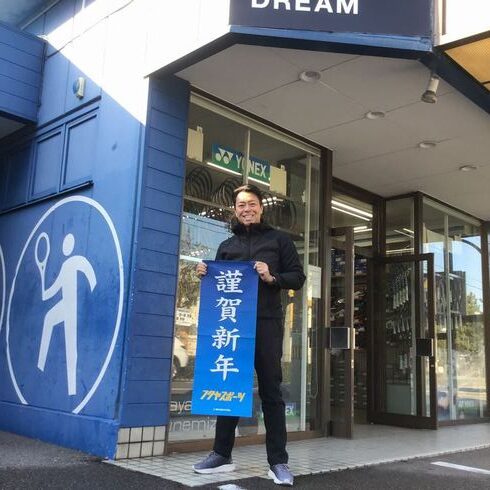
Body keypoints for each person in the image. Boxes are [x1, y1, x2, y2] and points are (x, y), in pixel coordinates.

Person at [192, 184, 305, 486]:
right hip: (233, 328)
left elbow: (298, 277)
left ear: (261, 208)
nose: (246, 209)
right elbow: (218, 286)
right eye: (241, 205)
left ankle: (278, 462)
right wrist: (205, 273)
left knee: (271, 392)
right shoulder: (227, 245)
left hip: (267, 325)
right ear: (235, 210)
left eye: (252, 203)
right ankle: (221, 454)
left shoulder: (279, 241)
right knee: (228, 386)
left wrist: (272, 276)